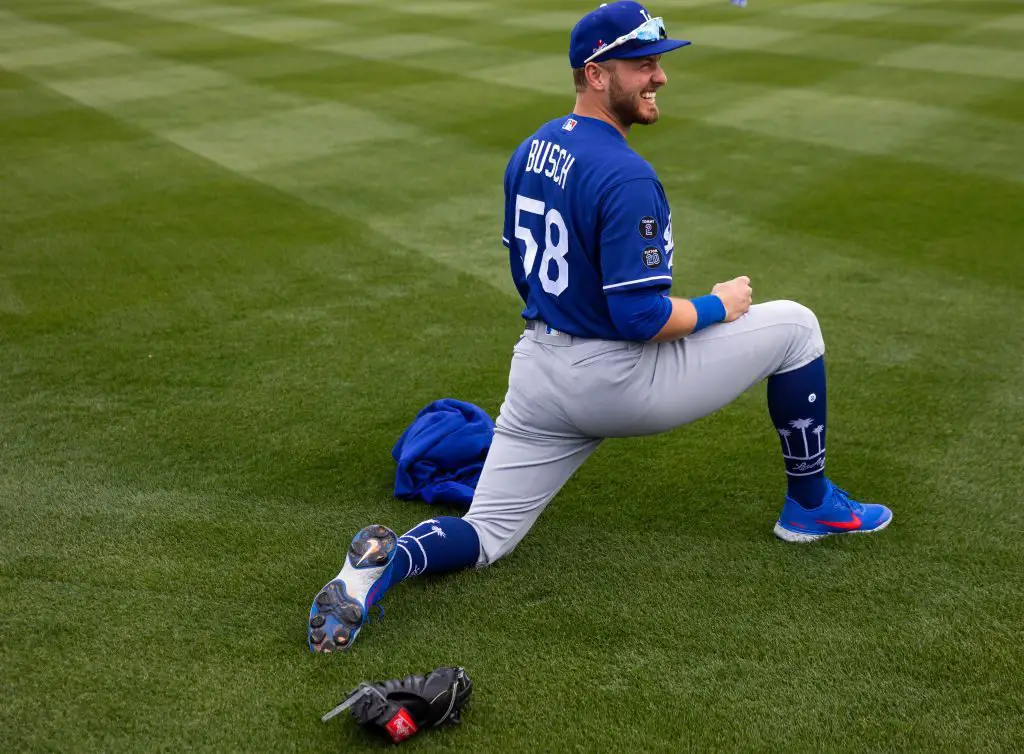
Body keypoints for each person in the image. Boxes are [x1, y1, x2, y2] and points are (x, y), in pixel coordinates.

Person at [306, 1, 893, 653]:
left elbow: (524, 274)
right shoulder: (627, 176)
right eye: (642, 64)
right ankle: (809, 509)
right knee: (796, 327)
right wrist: (718, 305)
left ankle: (378, 570)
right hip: (617, 382)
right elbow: (642, 319)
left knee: (487, 534)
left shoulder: (532, 149)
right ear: (594, 73)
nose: (659, 78)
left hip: (537, 376)